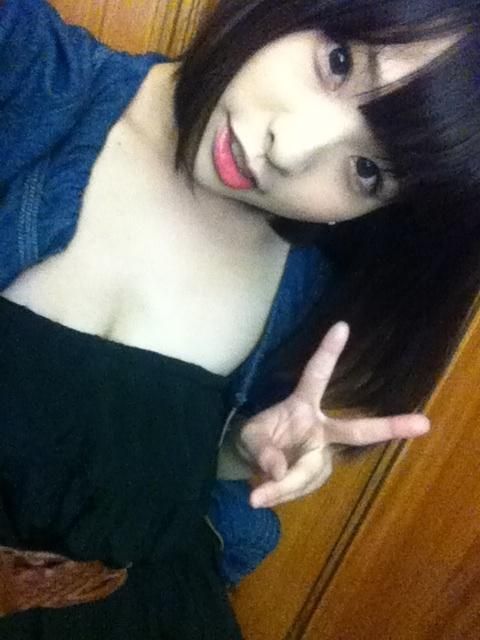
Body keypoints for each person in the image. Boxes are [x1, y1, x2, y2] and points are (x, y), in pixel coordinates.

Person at [0, 0, 479, 637]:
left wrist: (241, 453)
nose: (290, 149)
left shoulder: (306, 292)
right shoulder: (27, 70)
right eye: (338, 62)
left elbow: (150, 486)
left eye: (368, 171)